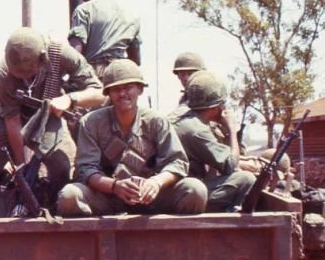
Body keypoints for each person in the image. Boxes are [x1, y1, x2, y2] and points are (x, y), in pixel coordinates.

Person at [0, 27, 105, 218]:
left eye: (29, 74)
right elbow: (12, 120)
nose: (24, 80)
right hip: (12, 119)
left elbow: (99, 92)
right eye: (19, 76)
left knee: (63, 166)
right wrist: (21, 164)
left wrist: (70, 99)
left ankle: (57, 217)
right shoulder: (3, 72)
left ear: (42, 59)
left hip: (50, 117)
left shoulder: (60, 54)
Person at [57, 59, 207, 217]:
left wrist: (156, 182)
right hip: (107, 197)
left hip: (152, 197)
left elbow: (177, 162)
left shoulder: (156, 121)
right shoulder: (91, 122)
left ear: (140, 89)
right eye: (115, 89)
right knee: (69, 196)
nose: (122, 94)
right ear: (107, 93)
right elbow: (85, 169)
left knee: (195, 190)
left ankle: (177, 240)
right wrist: (115, 186)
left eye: (128, 87)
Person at [171, 71, 255, 212]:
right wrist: (232, 129)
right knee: (246, 179)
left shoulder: (188, 121)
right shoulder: (197, 130)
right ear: (217, 106)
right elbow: (230, 165)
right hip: (186, 193)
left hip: (177, 189)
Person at [67, 0, 142, 78]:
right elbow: (135, 60)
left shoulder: (84, 10)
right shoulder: (131, 14)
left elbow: (73, 57)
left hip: (93, 77)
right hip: (121, 78)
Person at [167, 52, 206, 122]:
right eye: (182, 74)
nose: (186, 78)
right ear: (178, 76)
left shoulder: (210, 95)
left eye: (190, 73)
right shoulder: (184, 99)